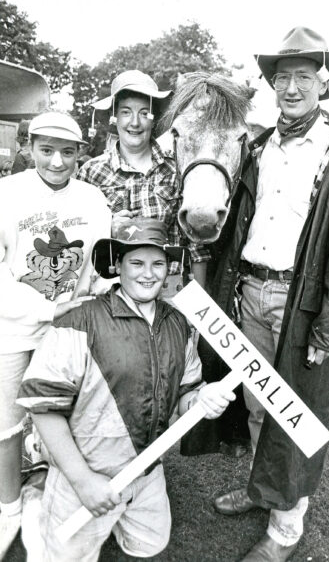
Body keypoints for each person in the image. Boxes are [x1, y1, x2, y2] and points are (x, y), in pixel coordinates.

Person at [210, 27, 329, 561]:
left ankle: (286, 530)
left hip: (302, 303)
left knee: (299, 415)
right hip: (252, 292)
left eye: (302, 77)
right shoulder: (258, 146)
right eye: (281, 76)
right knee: (260, 403)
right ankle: (265, 490)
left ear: (322, 83)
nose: (290, 87)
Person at [16, 217, 235, 562]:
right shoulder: (81, 320)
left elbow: (186, 396)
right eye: (136, 262)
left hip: (144, 471)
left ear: (169, 268)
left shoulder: (178, 323)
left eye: (157, 264)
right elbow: (45, 408)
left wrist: (201, 399)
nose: (148, 274)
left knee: (150, 545)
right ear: (118, 265)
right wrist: (83, 481)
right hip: (85, 471)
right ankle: (37, 494)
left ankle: (111, 518)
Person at [0, 111, 111, 559]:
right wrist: (46, 305)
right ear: (29, 147)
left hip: (68, 332)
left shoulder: (93, 198)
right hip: (12, 328)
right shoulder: (6, 193)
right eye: (46, 150)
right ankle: (7, 507)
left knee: (66, 423)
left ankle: (52, 500)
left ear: (81, 154)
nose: (57, 161)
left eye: (68, 152)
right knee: (6, 424)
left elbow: (100, 267)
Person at [77, 69, 210, 296]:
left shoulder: (177, 167)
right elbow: (78, 238)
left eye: (144, 113)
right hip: (111, 292)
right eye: (126, 112)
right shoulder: (92, 171)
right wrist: (107, 227)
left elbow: (196, 246)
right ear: (114, 117)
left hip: (169, 292)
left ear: (154, 118)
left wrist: (198, 307)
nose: (135, 123)